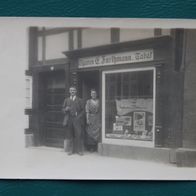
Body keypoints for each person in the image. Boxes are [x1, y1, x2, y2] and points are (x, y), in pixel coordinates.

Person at [62, 86, 85, 155]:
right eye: (71, 90)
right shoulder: (66, 100)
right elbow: (62, 109)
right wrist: (65, 109)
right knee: (70, 135)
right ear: (69, 91)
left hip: (77, 119)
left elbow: (83, 111)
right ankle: (71, 150)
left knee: (79, 134)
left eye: (74, 90)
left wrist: (78, 117)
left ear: (76, 91)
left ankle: (79, 151)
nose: (72, 91)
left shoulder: (80, 100)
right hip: (69, 119)